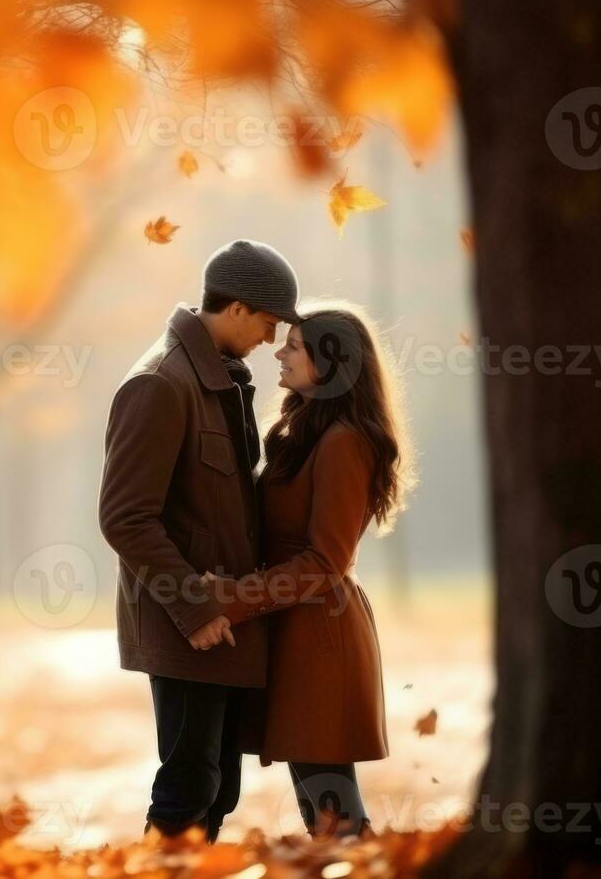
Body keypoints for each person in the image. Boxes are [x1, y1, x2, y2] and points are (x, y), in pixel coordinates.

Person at [98, 239, 300, 842]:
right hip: (189, 625)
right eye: (268, 322)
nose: (271, 338)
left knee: (218, 791)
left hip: (225, 623)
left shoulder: (219, 379)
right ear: (237, 308)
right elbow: (125, 517)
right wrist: (194, 606)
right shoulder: (161, 383)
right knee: (189, 787)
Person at [208, 305, 413, 840]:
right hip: (294, 628)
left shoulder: (345, 441)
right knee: (325, 811)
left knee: (333, 813)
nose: (280, 350)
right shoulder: (309, 431)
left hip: (320, 638)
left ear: (332, 363)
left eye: (294, 345)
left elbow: (326, 561)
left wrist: (230, 598)